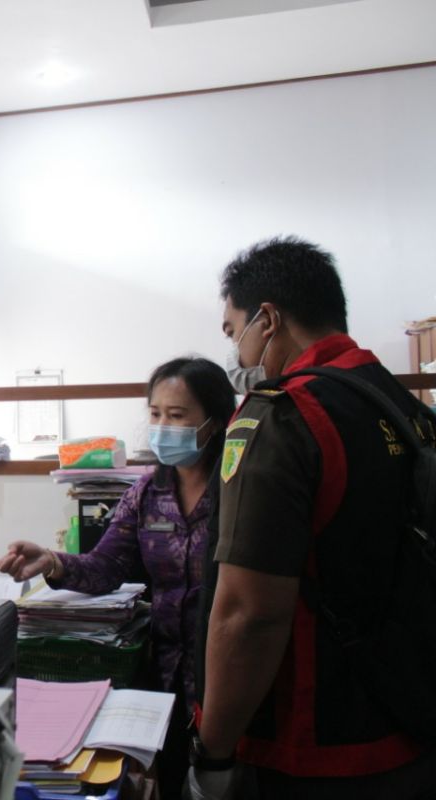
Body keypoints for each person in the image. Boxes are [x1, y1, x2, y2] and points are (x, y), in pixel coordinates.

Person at [190, 236, 436, 799]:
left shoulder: (282, 417)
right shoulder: (404, 408)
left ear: (268, 320)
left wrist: (215, 752)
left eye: (234, 332)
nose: (238, 355)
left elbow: (250, 614)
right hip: (411, 712)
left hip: (314, 747)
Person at [0, 357, 235, 796]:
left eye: (177, 416)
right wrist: (53, 561)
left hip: (229, 677)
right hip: (163, 678)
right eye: (155, 414)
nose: (162, 427)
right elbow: (106, 567)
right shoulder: (147, 493)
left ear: (215, 421)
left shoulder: (239, 488)